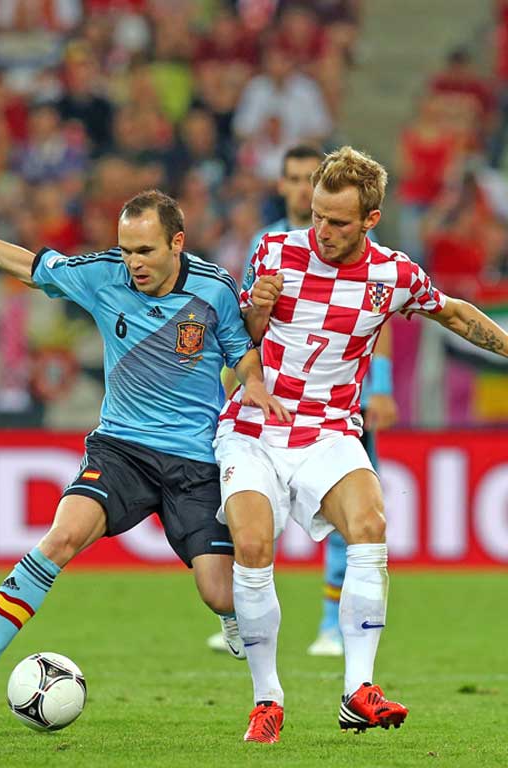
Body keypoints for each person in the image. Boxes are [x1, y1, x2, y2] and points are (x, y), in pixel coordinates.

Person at [0, 181, 290, 708]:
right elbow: (27, 264)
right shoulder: (102, 275)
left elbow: (241, 351)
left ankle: (231, 617)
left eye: (145, 250)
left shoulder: (214, 290)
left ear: (176, 243)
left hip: (195, 460)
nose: (132, 262)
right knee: (60, 539)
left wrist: (252, 382)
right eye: (126, 249)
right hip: (121, 450)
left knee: (219, 592)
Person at [218, 146, 508, 742]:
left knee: (370, 524)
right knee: (250, 543)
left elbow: (452, 314)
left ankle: (357, 691)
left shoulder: (394, 275)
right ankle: (267, 699)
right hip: (256, 427)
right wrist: (257, 312)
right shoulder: (274, 252)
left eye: (339, 222)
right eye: (318, 216)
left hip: (329, 430)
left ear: (371, 219)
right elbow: (235, 340)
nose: (322, 230)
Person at [206, 144, 399, 658]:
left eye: (301, 177)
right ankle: (239, 608)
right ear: (285, 187)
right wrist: (241, 376)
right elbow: (241, 325)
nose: (295, 188)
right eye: (290, 179)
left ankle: (333, 624)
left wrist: (380, 386)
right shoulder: (266, 246)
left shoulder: (366, 250)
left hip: (336, 408)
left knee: (356, 517)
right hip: (266, 410)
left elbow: (381, 319)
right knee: (248, 518)